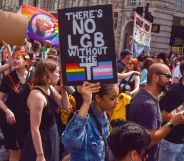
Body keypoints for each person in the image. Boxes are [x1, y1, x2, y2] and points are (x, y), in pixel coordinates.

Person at [128, 63, 184, 161]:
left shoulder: (146, 96)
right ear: (155, 77)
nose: (171, 80)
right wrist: (173, 122)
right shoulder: (148, 104)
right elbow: (152, 139)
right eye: (168, 76)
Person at [20, 59, 69, 161]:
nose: (59, 75)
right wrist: (40, 155)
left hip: (52, 135)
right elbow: (34, 128)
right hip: (41, 140)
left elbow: (65, 106)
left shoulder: (49, 88)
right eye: (57, 72)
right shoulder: (37, 96)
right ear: (48, 74)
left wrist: (64, 88)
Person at [62, 83, 119, 161]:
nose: (117, 102)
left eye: (117, 97)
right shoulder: (86, 121)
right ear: (98, 98)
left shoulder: (104, 115)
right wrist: (86, 102)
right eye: (112, 98)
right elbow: (71, 144)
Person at [0, 50, 32, 161]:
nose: (14, 60)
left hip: (30, 120)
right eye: (13, 58)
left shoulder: (34, 77)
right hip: (12, 120)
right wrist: (7, 111)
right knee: (15, 152)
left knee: (27, 151)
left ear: (26, 61)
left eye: (17, 58)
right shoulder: (7, 78)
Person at [158, 75, 184, 161]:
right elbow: (164, 115)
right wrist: (180, 120)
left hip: (179, 141)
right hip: (170, 142)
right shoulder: (176, 92)